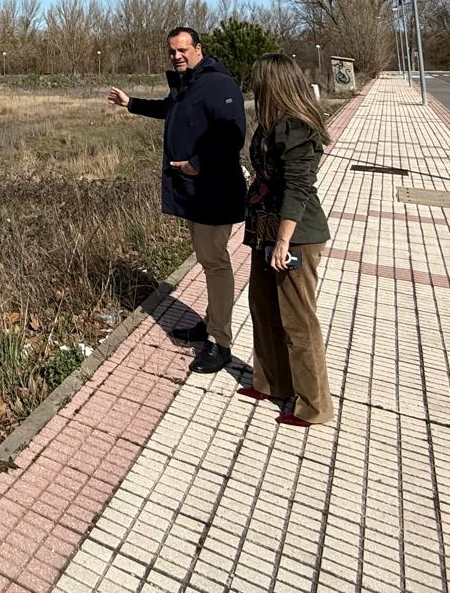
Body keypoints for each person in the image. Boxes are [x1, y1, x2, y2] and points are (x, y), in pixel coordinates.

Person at [108, 27, 246, 374]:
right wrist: (131, 103)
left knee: (215, 263)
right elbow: (169, 110)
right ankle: (210, 323)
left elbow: (232, 134)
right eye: (172, 51)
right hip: (196, 191)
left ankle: (220, 343)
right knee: (207, 259)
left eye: (183, 50)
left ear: (198, 48)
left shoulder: (218, 84)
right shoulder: (188, 84)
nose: (177, 56)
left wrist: (196, 164)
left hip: (214, 191)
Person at [236, 53, 334, 427]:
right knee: (262, 306)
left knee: (298, 319)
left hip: (295, 235)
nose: (254, 87)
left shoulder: (297, 129)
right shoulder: (270, 125)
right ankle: (271, 382)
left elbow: (299, 188)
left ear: (273, 85)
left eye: (258, 81)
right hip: (265, 227)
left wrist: (282, 242)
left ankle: (313, 405)